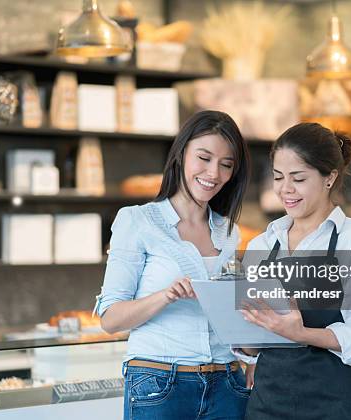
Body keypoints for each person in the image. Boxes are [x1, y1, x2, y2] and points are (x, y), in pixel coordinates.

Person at [95, 110, 252, 420]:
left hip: (228, 383)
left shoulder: (230, 232)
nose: (213, 173)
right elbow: (110, 319)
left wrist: (253, 353)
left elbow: (232, 320)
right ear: (181, 154)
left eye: (226, 164)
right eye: (204, 158)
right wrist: (166, 295)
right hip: (160, 383)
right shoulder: (137, 221)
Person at [239, 122, 351, 420]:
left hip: (335, 406)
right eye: (278, 177)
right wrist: (245, 333)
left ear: (329, 177)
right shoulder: (262, 245)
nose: (285, 189)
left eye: (299, 178)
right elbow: (251, 347)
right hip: (267, 406)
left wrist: (301, 333)